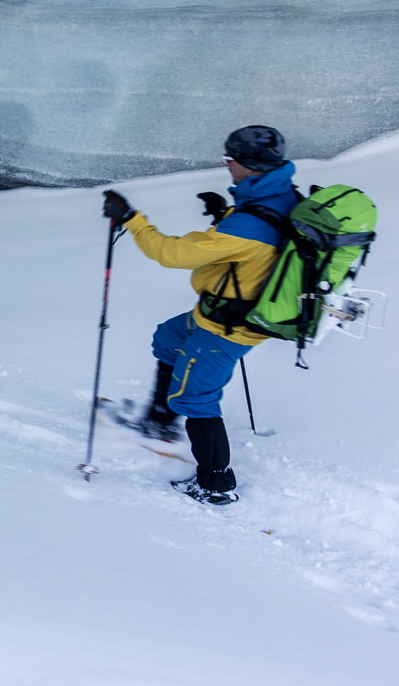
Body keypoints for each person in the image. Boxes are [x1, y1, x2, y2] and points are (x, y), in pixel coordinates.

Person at [99, 124, 300, 506]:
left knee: (196, 398)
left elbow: (171, 253)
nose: (226, 165)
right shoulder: (276, 192)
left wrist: (131, 218)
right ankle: (159, 420)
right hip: (215, 311)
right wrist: (223, 213)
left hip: (229, 327)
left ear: (250, 165)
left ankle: (215, 484)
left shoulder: (248, 224)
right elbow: (257, 241)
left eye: (231, 160)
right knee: (168, 338)